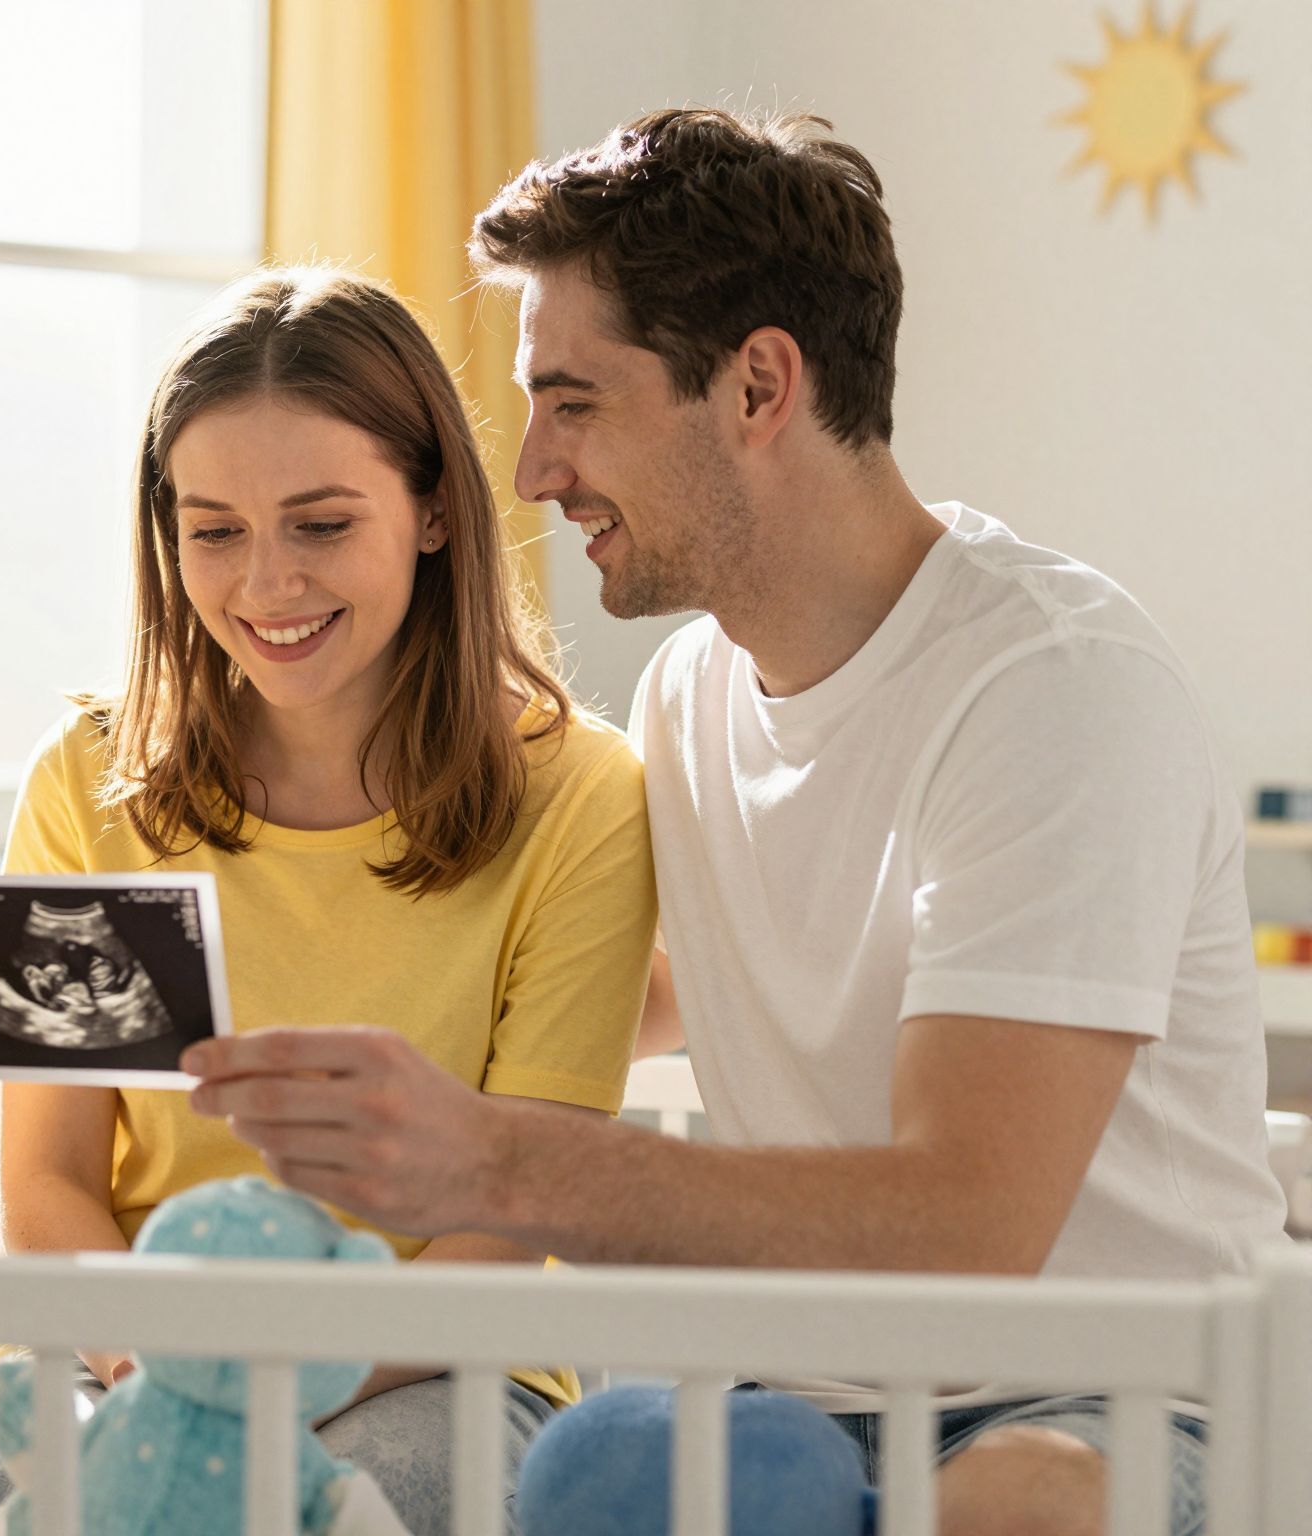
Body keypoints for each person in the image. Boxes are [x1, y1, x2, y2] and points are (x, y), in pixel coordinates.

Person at [185, 110, 1285, 1536]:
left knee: (1016, 1503)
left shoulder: (1051, 688)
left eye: (574, 402)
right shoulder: (690, 697)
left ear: (759, 384)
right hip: (798, 1405)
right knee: (597, 1469)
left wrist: (497, 1159)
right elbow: (678, 990)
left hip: (1103, 1392)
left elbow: (968, 1232)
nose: (531, 471)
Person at [0, 268, 658, 1535]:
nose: (265, 586)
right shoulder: (86, 782)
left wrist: (270, 1402)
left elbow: (507, 1222)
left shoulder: (578, 796)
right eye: (215, 530)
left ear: (434, 512)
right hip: (126, 1361)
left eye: (321, 524)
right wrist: (177, 1393)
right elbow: (49, 1189)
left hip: (435, 1368)